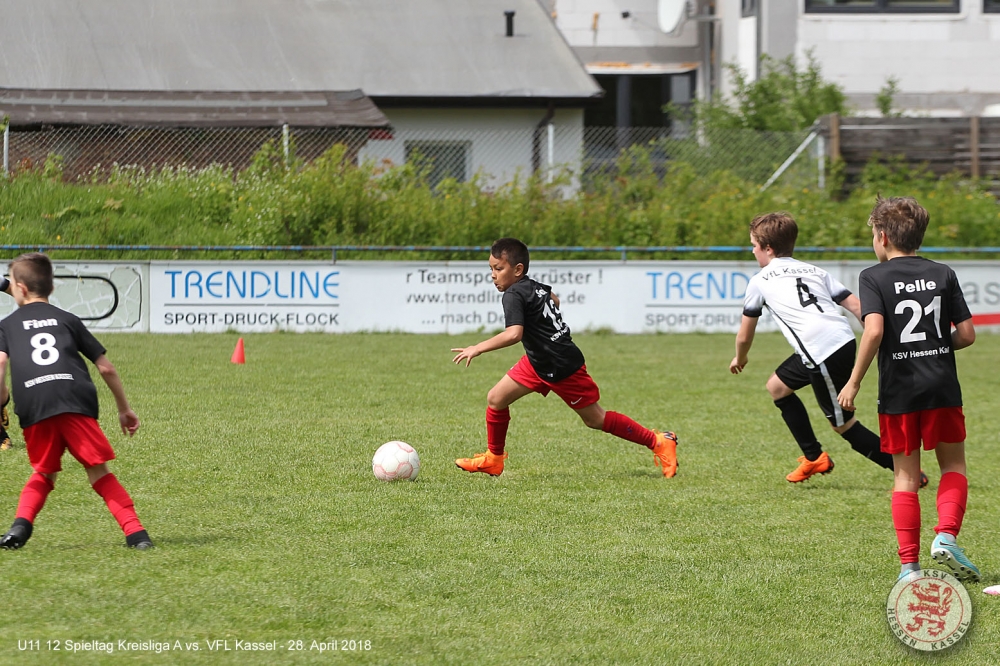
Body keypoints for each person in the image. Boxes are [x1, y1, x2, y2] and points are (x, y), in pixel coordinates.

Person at [451, 238, 678, 477]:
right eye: (491, 269)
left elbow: (514, 334)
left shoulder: (512, 294)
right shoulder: (534, 286)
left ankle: (658, 441)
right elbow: (554, 300)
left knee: (595, 419)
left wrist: (478, 347)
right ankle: (493, 459)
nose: (493, 275)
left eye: (498, 269)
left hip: (561, 366)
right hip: (538, 361)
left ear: (517, 270)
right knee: (496, 398)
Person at [838, 196, 977, 582]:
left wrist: (853, 381)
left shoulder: (873, 277)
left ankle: (909, 568)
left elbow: (874, 331)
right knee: (953, 466)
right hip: (942, 388)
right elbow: (967, 335)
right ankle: (946, 536)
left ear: (882, 237)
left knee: (905, 477)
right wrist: (935, 346)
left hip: (899, 392)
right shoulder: (943, 273)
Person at [730, 212, 923, 486]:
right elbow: (856, 306)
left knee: (843, 424)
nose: (752, 251)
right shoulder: (814, 271)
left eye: (754, 245)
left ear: (768, 249)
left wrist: (740, 357)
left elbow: (744, 335)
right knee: (777, 387)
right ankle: (813, 457)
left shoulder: (760, 280)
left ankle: (907, 473)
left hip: (822, 351)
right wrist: (880, 337)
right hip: (839, 340)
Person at [0, 253, 152, 550]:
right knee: (98, 472)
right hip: (74, 402)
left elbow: (0, 365)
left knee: (44, 473)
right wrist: (124, 409)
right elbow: (106, 368)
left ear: (19, 288)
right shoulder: (68, 319)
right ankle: (137, 535)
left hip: (35, 405)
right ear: (52, 287)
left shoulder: (7, 325)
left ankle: (19, 527)